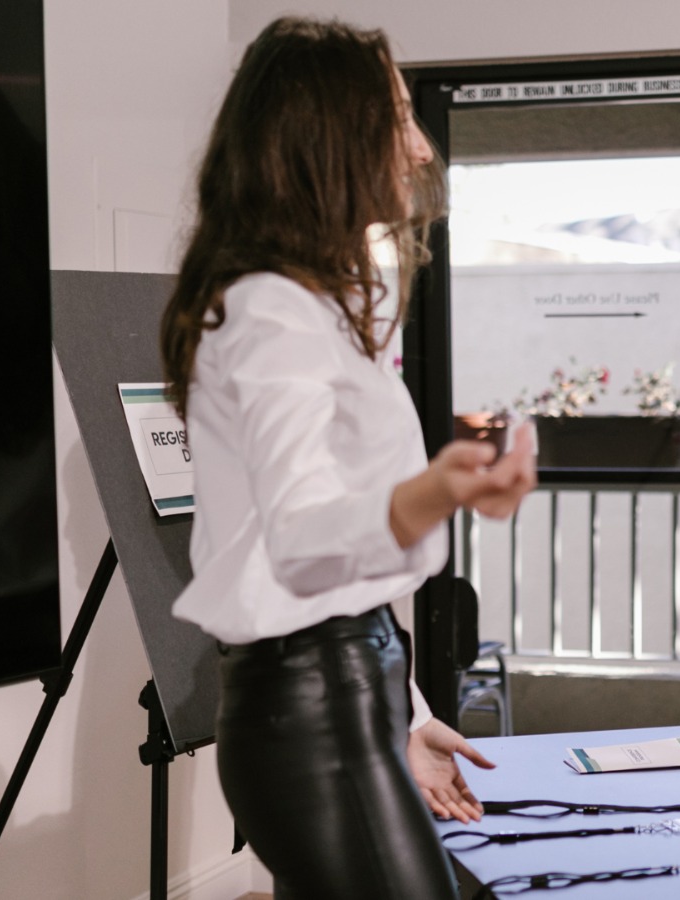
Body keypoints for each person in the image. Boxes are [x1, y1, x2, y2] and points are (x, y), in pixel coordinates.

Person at [160, 18, 537, 899]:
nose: (418, 145)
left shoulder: (315, 305)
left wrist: (404, 717)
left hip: (343, 699)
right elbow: (301, 540)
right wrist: (433, 494)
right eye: (398, 116)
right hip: (308, 718)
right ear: (327, 134)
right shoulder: (267, 311)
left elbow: (340, 588)